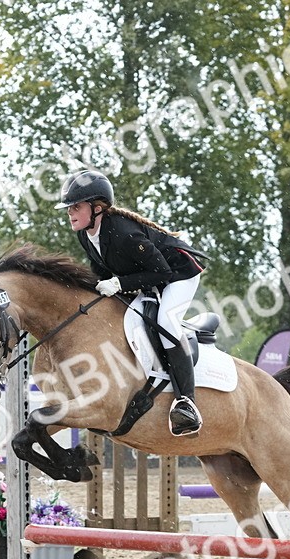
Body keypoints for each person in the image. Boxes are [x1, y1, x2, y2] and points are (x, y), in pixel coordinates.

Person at [56, 170, 208, 436]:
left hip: (179, 274)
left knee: (165, 322)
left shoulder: (124, 233)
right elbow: (101, 272)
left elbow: (163, 273)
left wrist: (119, 284)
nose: (70, 212)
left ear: (97, 207)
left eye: (76, 206)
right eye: (69, 207)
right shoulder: (86, 233)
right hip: (148, 277)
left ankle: (186, 402)